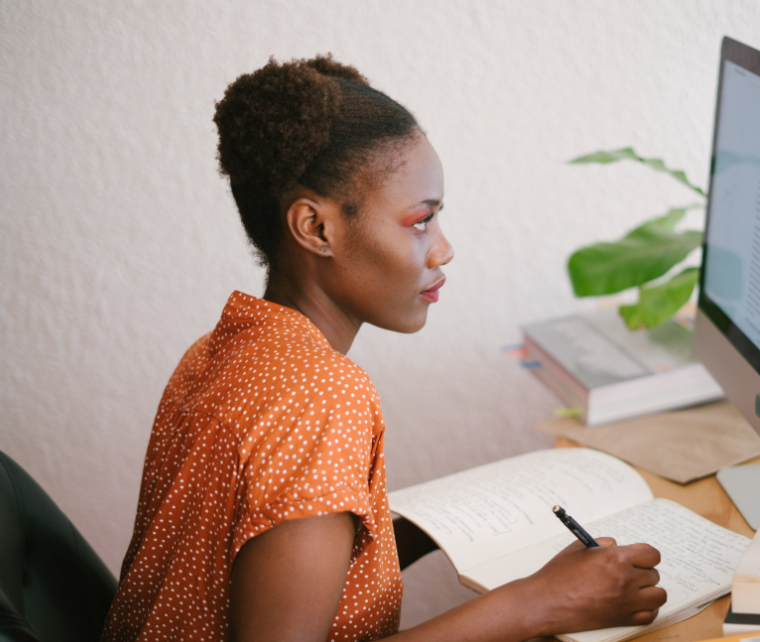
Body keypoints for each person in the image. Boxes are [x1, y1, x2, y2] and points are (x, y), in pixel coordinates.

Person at [101, 54, 667, 642]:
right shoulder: (322, 396)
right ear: (317, 229)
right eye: (420, 221)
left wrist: (425, 535)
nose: (443, 249)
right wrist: (539, 605)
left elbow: (247, 555)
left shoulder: (220, 350)